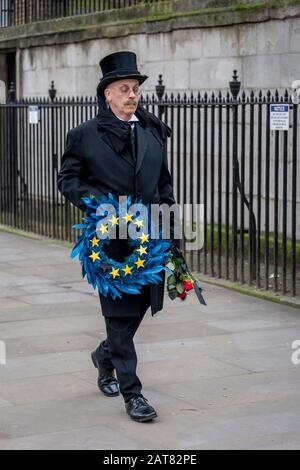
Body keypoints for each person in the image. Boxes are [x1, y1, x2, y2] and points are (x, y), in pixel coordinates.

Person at [57, 51, 180, 423]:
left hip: (152, 241)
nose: (132, 95)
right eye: (124, 89)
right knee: (118, 317)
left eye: (135, 89)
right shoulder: (83, 136)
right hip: (110, 244)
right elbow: (68, 180)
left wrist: (172, 232)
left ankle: (104, 355)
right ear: (107, 94)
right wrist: (101, 206)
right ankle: (133, 394)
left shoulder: (151, 131)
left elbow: (164, 183)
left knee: (136, 312)